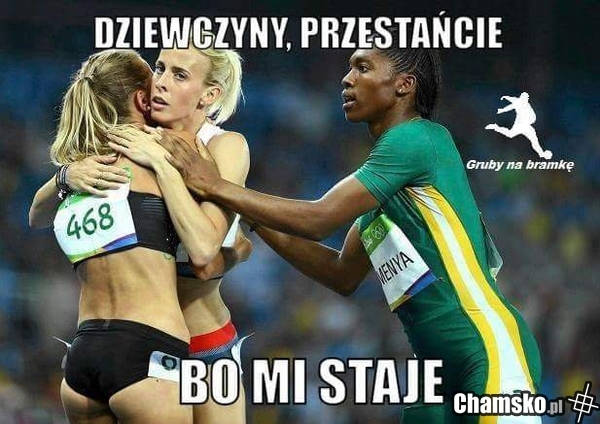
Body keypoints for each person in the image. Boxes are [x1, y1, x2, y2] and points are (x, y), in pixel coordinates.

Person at [157, 36, 543, 423]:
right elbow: (341, 273)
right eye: (349, 67)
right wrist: (245, 210)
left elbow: (319, 218)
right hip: (435, 372)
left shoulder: (418, 137)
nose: (347, 78)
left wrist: (218, 186)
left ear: (404, 85)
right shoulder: (386, 194)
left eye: (363, 67)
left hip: (486, 348)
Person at [29, 41, 252, 424]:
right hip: (144, 341)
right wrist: (64, 176)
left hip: (201, 342)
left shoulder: (222, 146)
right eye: (159, 68)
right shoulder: (132, 140)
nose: (161, 81)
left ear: (208, 95)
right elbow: (37, 213)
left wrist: (233, 251)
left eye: (179, 75)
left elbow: (210, 253)